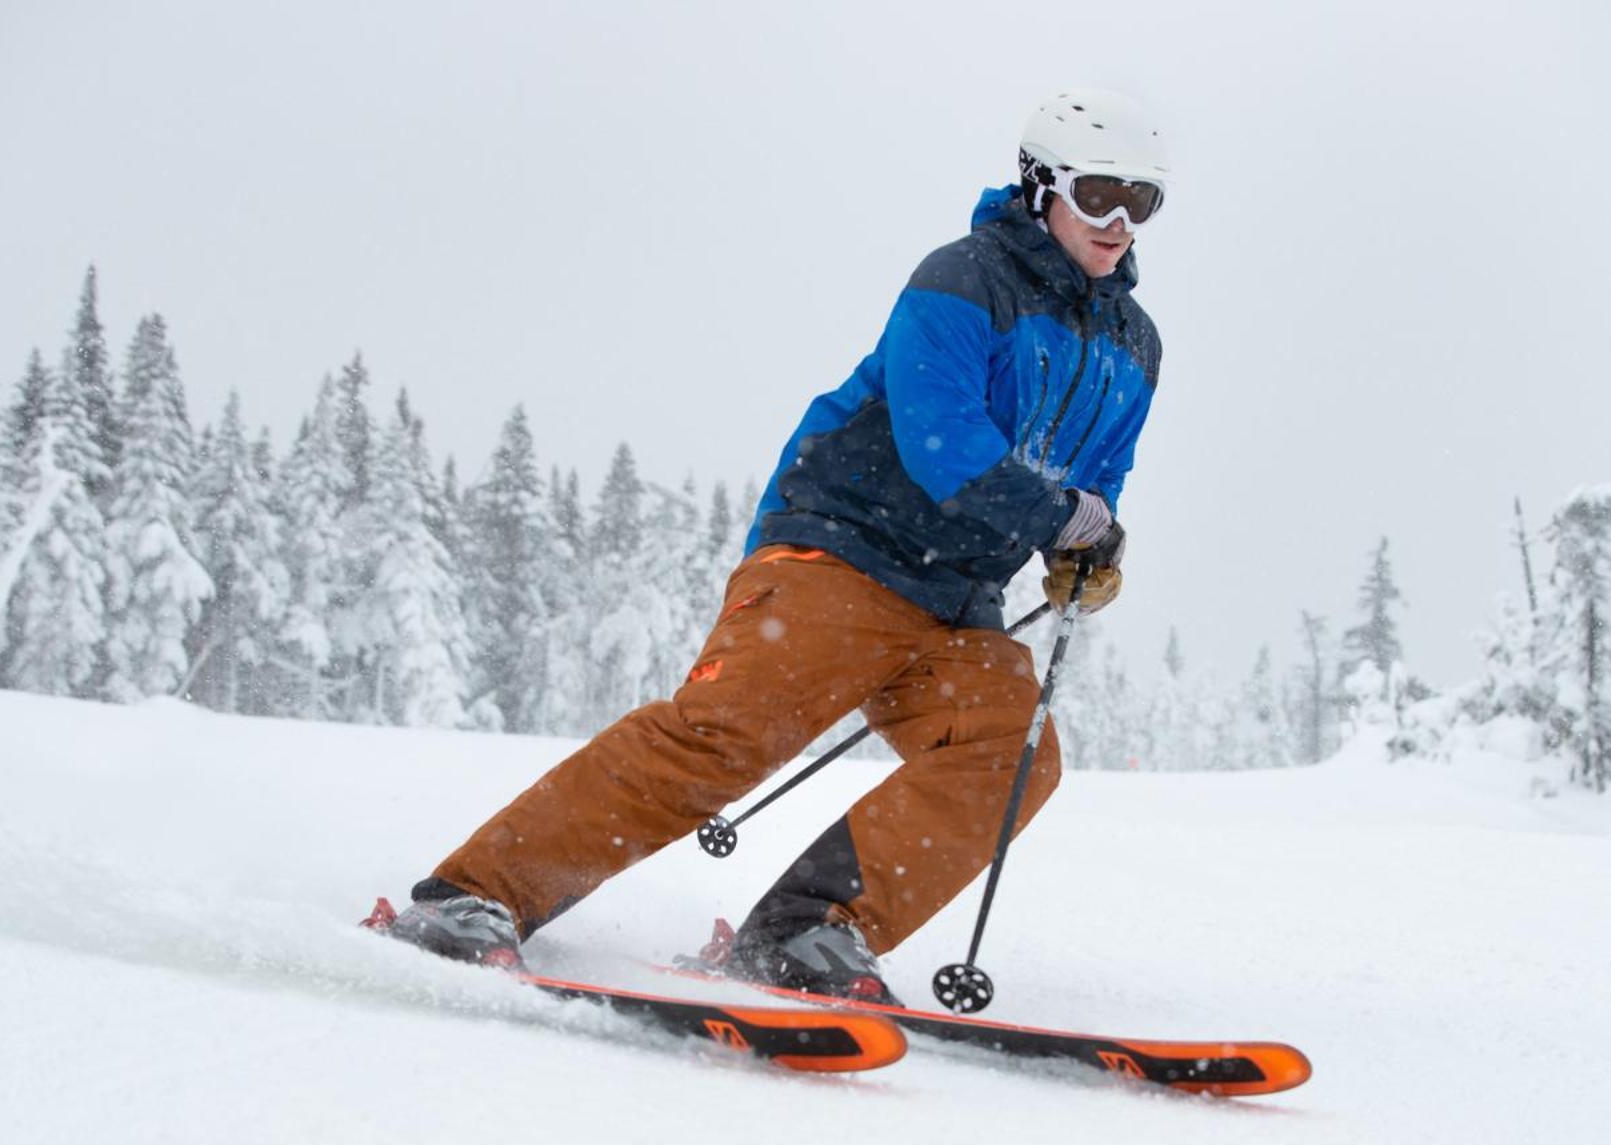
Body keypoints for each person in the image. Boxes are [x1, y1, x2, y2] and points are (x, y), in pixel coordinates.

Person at [385, 88, 1168, 1003]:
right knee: (723, 739)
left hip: (958, 604)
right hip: (844, 549)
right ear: (1042, 187)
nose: (1118, 222)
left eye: (1141, 201)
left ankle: (804, 933)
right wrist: (1056, 517)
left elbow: (1095, 479)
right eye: (1099, 193)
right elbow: (942, 445)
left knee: (1014, 751)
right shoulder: (964, 280)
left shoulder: (1135, 345)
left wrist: (1090, 545)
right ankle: (474, 895)